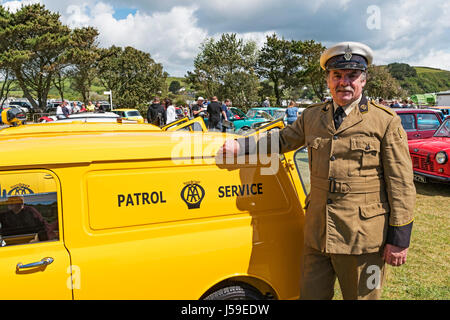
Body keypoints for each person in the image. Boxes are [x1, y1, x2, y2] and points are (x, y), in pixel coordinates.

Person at [220, 41, 415, 300]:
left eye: (352, 76)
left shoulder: (385, 121)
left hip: (362, 237)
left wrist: (399, 238)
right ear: (328, 80)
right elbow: (282, 140)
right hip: (318, 232)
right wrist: (243, 146)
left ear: (364, 80)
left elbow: (401, 183)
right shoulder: (312, 116)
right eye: (337, 76)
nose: (344, 82)